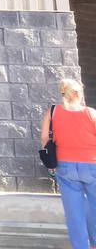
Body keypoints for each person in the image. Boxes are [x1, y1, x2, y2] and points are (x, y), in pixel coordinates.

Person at [42, 78, 96, 249]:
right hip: (92, 165)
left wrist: (51, 160)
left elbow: (44, 138)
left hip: (65, 166)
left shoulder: (53, 112)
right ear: (79, 93)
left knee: (74, 213)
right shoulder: (91, 113)